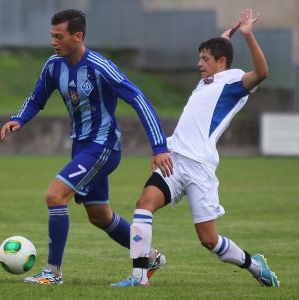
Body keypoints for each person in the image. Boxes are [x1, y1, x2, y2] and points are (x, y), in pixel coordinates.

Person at [0, 9, 173, 285]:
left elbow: (138, 99)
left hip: (103, 146)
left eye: (59, 36)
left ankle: (52, 273)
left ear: (77, 36)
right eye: (52, 36)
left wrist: (159, 145)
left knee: (55, 196)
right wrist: (18, 119)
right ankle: (148, 256)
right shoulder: (53, 65)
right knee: (99, 216)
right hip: (81, 147)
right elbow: (36, 98)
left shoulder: (101, 67)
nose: (54, 42)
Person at [111, 9, 280, 287]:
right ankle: (139, 276)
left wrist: (248, 35)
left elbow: (262, 72)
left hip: (200, 167)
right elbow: (216, 62)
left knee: (208, 240)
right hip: (174, 160)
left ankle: (255, 265)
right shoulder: (207, 81)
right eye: (199, 58)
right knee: (144, 205)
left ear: (222, 62)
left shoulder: (234, 81)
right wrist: (223, 38)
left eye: (205, 59)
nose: (199, 63)